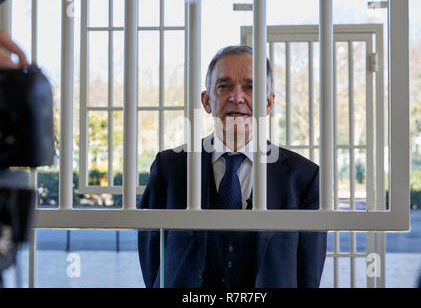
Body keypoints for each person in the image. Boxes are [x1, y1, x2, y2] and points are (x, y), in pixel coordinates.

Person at [138, 45, 327, 288]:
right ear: (207, 101)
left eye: (251, 87)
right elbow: (151, 254)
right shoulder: (170, 168)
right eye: (223, 86)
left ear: (268, 103)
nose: (236, 97)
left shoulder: (304, 177)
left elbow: (308, 275)